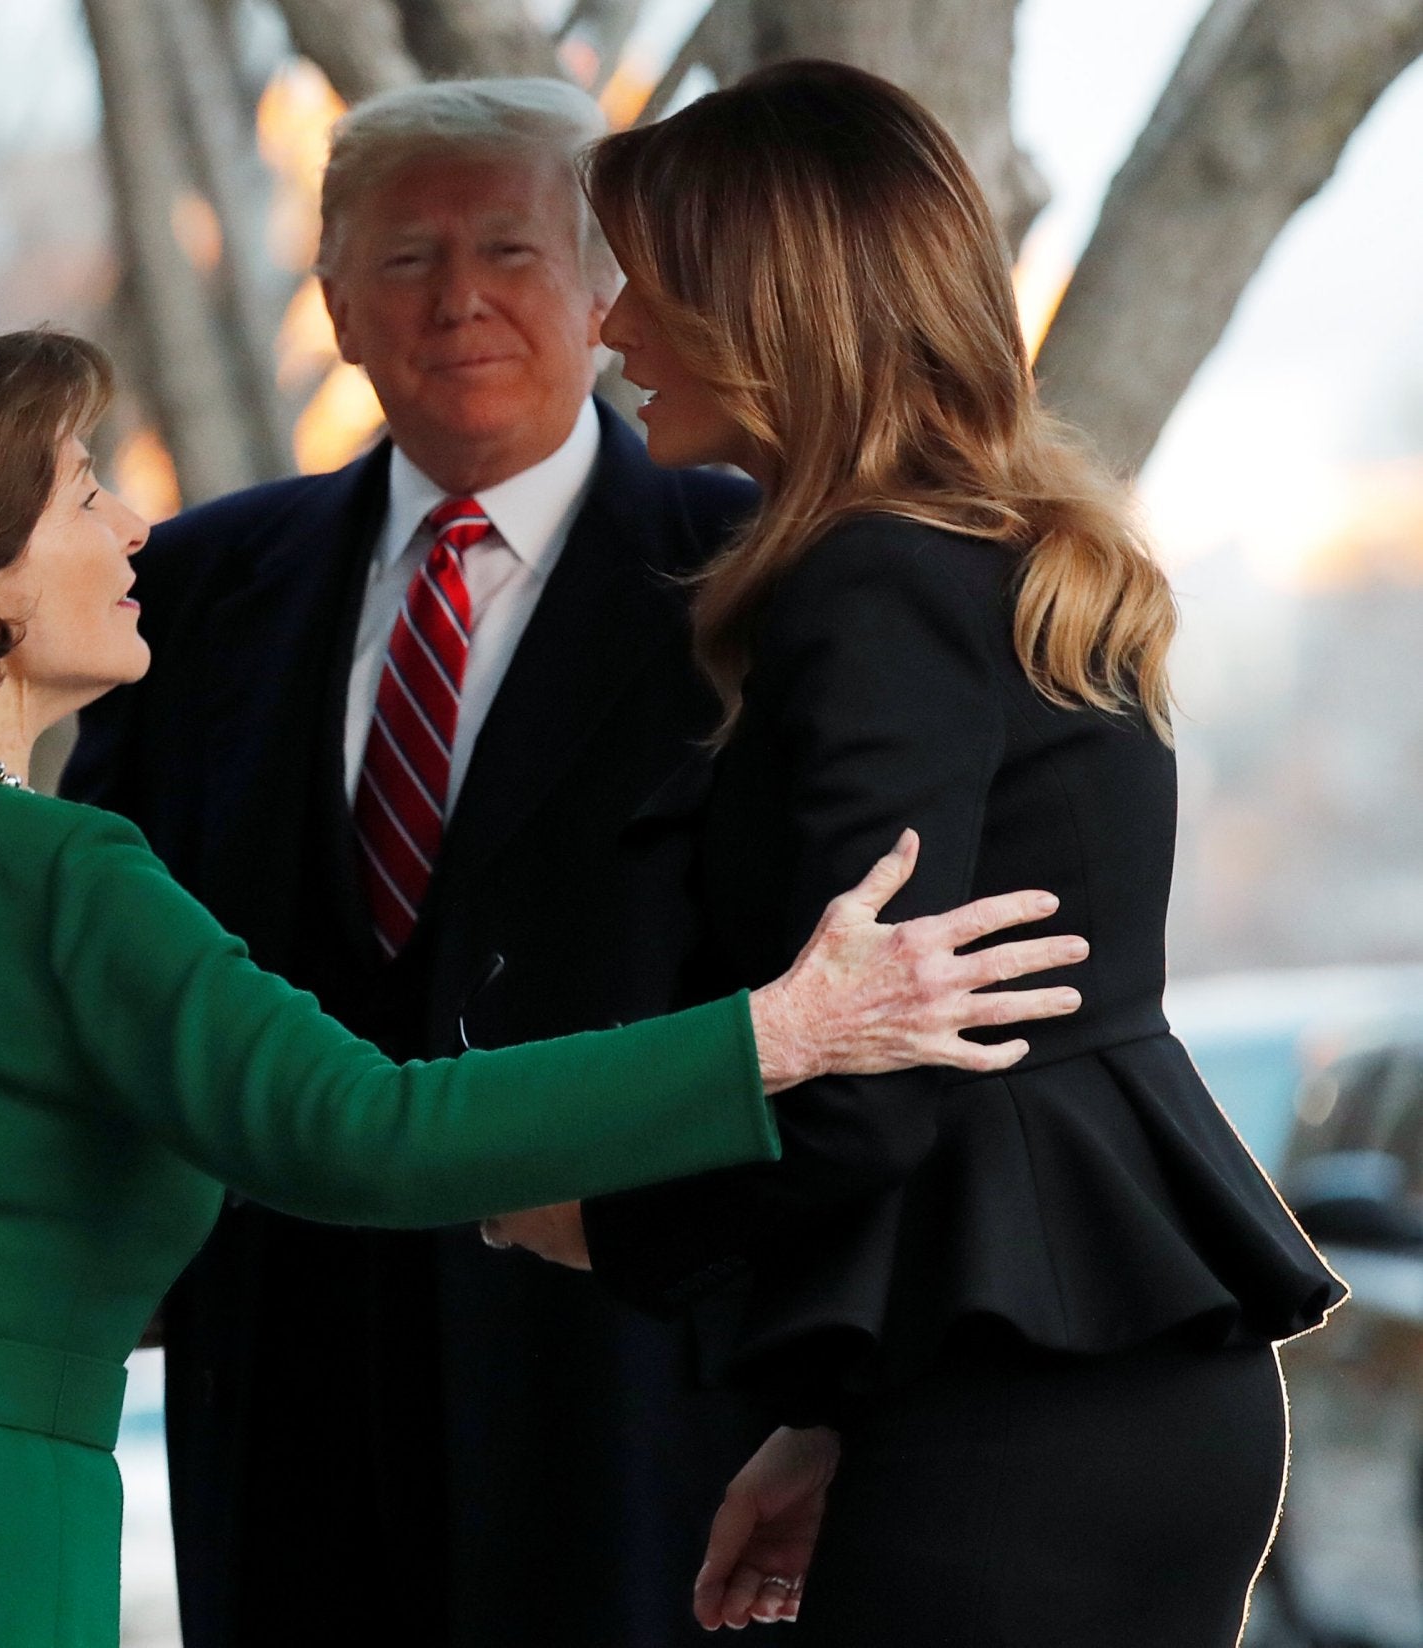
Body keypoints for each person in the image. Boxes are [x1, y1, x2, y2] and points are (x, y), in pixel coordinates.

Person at [0, 318, 1092, 1647]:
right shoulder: (62, 876)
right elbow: (368, 1132)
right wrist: (785, 1030)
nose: (132, 530)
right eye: (82, 490)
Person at [551, 62, 1345, 1645]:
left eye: (651, 277)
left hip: (1032, 1434)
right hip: (1088, 1396)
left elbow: (881, 1072)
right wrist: (841, 1412)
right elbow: (981, 1063)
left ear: (768, 302)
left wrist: (579, 1211)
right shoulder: (997, 562)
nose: (611, 325)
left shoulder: (878, 586)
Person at [62, 77, 767, 1647]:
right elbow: (112, 962)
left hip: (633, 1391)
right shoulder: (185, 589)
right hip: (285, 1393)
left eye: (510, 252)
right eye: (405, 259)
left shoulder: (754, 573)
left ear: (600, 294)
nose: (459, 300)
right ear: (334, 304)